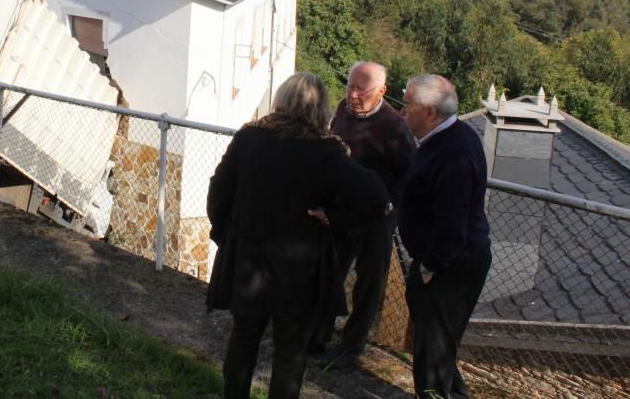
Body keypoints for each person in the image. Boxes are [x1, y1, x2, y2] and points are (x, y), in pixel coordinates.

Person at [207, 72, 390, 398]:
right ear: (321, 110)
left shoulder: (249, 140)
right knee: (290, 353)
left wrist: (227, 237)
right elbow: (376, 197)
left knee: (243, 338)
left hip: (249, 261)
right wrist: (335, 218)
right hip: (300, 272)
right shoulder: (325, 153)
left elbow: (218, 193)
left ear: (280, 101)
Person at [316, 61, 415, 368]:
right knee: (331, 272)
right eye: (350, 87)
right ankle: (318, 334)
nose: (353, 95)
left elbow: (407, 176)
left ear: (381, 92)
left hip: (375, 217)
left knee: (368, 284)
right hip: (340, 211)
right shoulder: (344, 111)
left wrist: (387, 208)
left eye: (361, 89)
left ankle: (351, 346)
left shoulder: (395, 127)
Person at [399, 74, 492, 399]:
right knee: (438, 347)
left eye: (407, 105)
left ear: (429, 112)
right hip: (442, 263)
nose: (402, 112)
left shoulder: (453, 152)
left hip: (450, 268)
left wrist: (430, 267)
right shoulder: (449, 138)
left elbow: (452, 222)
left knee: (432, 356)